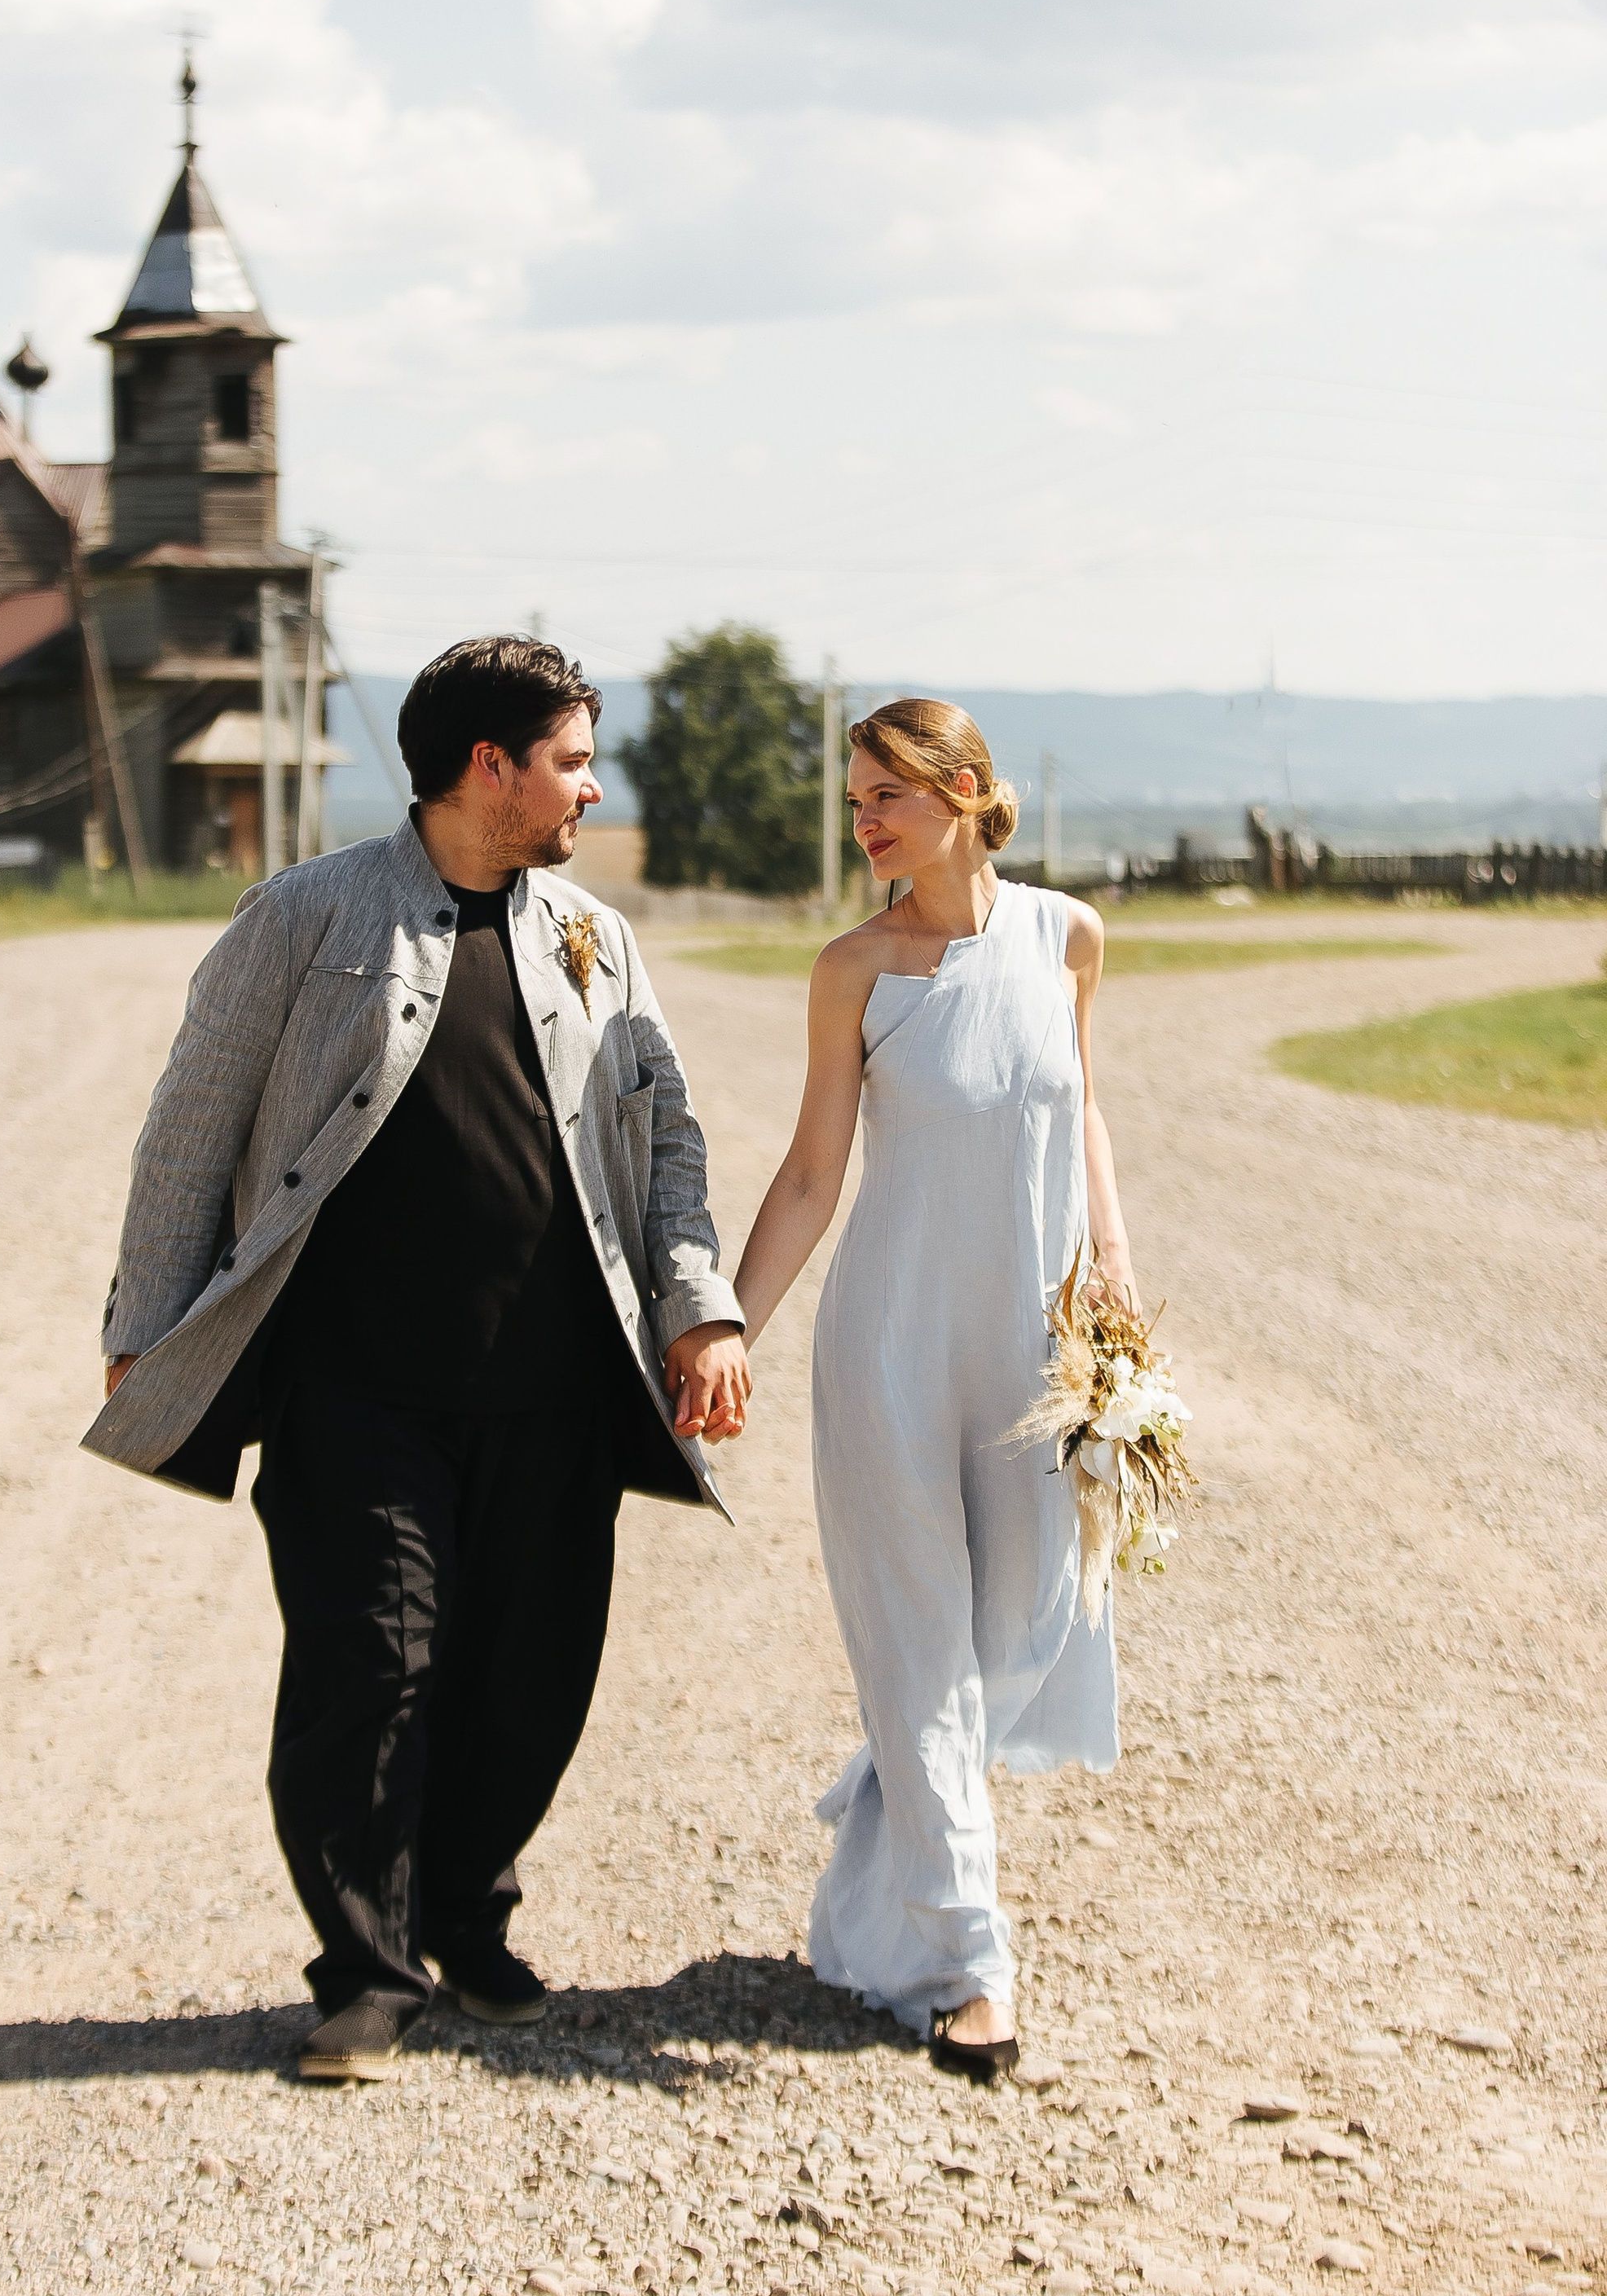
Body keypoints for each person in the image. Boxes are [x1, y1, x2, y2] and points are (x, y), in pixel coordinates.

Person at [86, 636, 751, 2083]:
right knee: (372, 1670)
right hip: (355, 1391)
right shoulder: (309, 915)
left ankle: (466, 1913)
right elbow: (193, 1121)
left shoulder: (595, 936)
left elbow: (668, 1137)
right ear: (488, 766)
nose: (592, 784)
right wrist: (147, 1324)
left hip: (560, 1389)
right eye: (572, 758)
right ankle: (368, 1970)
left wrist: (699, 1306)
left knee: (531, 1678)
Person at [731, 697, 1130, 2080]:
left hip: (1032, 1355)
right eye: (855, 802)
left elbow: (1080, 1111)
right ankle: (976, 1969)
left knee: (1026, 1624)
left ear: (963, 791)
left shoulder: (1065, 938)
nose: (865, 824)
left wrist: (1118, 1284)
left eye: (886, 797)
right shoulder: (853, 968)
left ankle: (898, 1783)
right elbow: (808, 1177)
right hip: (889, 1351)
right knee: (919, 1648)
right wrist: (723, 1334)